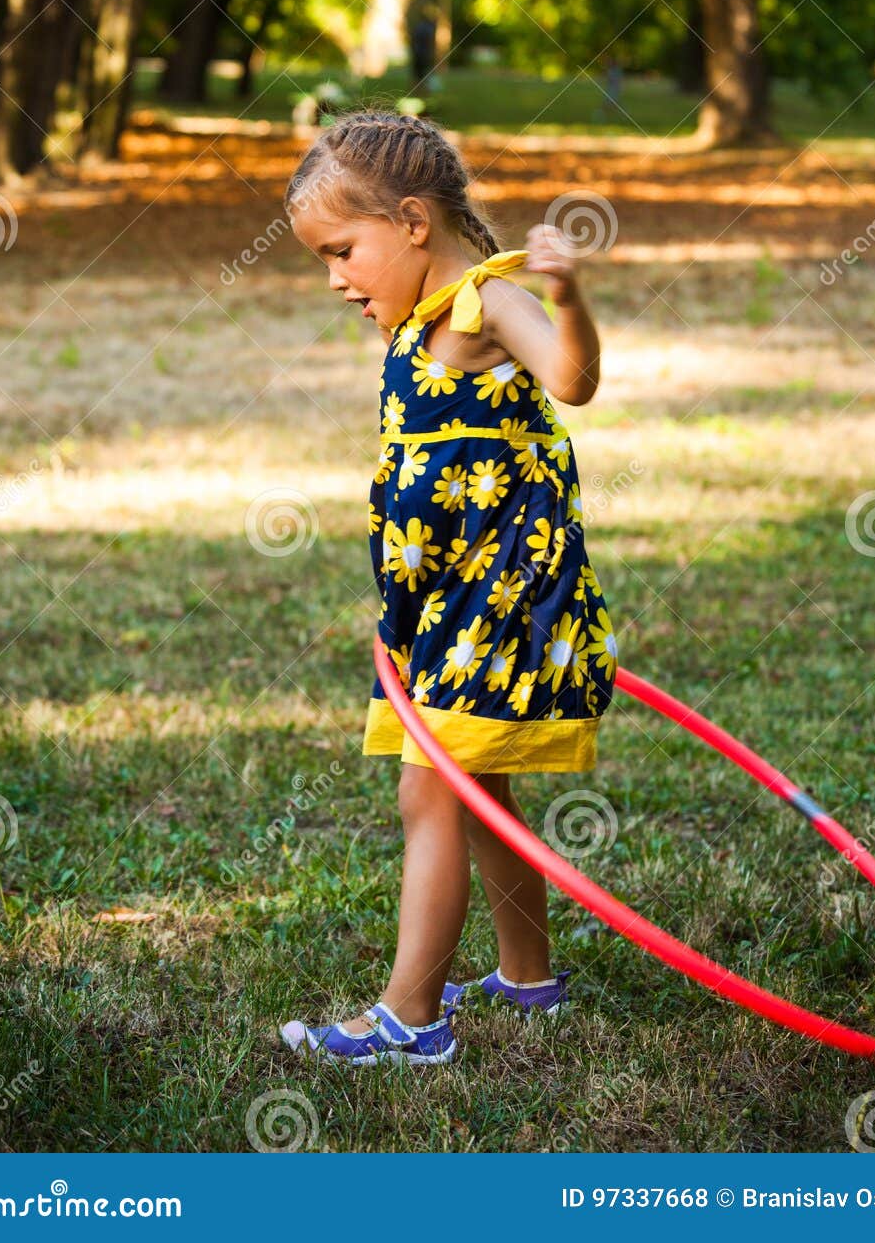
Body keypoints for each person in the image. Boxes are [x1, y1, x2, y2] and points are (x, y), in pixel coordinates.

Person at [280, 110, 618, 1066]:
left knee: (431, 797)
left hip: (499, 606)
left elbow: (572, 378)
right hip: (444, 609)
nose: (335, 279)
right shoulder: (421, 318)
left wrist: (569, 295)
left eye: (344, 251)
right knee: (483, 795)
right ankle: (526, 976)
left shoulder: (486, 303)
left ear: (414, 222)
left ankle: (409, 1018)